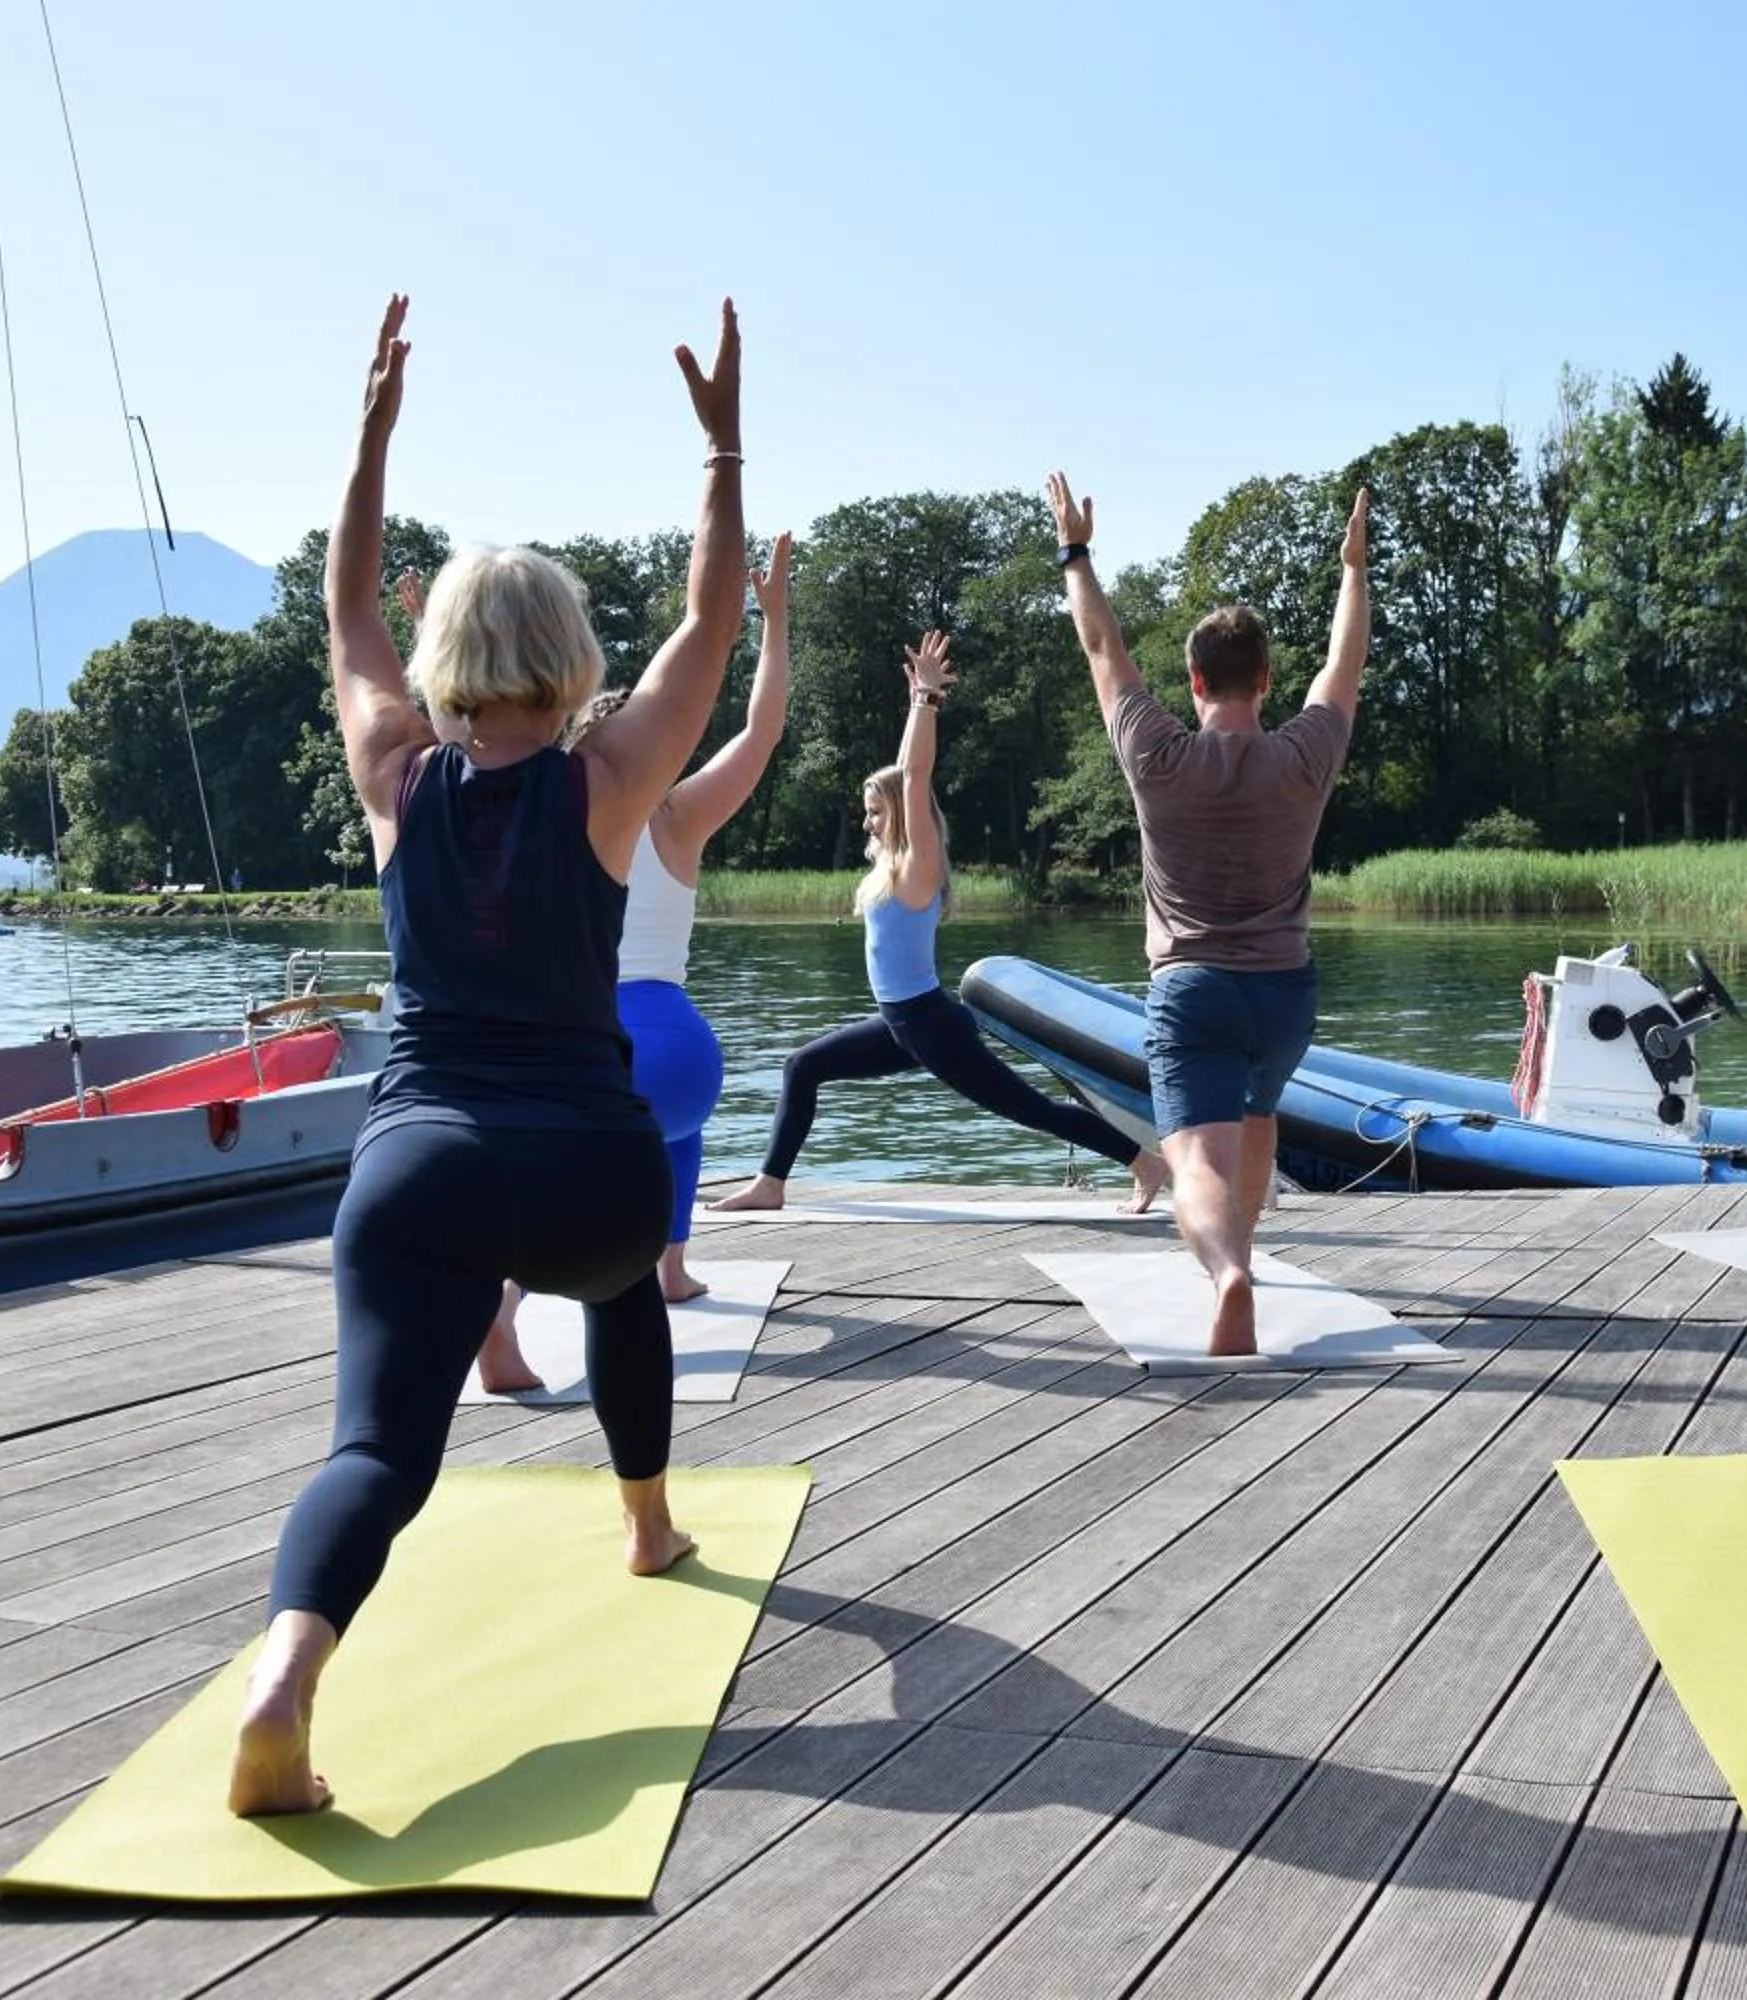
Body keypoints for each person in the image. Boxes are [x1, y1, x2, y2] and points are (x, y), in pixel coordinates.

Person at [228, 293, 747, 1817]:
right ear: (571, 656)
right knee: (628, 1283)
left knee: (379, 1450)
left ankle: (289, 1671)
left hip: (420, 1163)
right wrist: (720, 450)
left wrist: (370, 432)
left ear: (451, 657)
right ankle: (647, 1523)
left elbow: (347, 615)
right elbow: (712, 624)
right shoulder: (607, 775)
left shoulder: (397, 770)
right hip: (587, 1161)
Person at [417, 537, 795, 1394]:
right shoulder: (681, 816)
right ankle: (672, 1267)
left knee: (545, 1195)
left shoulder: (561, 807)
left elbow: (450, 747)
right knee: (675, 1134)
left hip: (601, 1037)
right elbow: (761, 733)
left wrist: (434, 645)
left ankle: (502, 1311)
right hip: (689, 1050)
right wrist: (773, 621)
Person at [1046, 468, 1370, 1356]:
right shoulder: (1305, 755)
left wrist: (1077, 553)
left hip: (1191, 992)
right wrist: (1353, 569)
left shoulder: (1158, 755)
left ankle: (1227, 1271)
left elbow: (1102, 650)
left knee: (1193, 1158)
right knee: (1259, 1112)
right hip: (1286, 996)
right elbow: (1344, 666)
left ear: (1194, 680)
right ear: (1265, 679)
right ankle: (1248, 1256)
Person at [708, 631, 1166, 1216]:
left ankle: (1143, 1162)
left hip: (930, 1024)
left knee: (1031, 1110)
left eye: (875, 811)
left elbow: (914, 774)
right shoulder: (886, 870)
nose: (867, 822)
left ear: (899, 814)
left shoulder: (917, 866)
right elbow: (904, 779)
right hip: (903, 1022)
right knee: (803, 1065)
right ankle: (771, 1183)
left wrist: (923, 702)